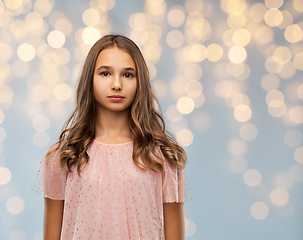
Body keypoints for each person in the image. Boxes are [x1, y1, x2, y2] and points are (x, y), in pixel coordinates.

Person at [32, 34, 192, 240]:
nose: (116, 84)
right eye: (105, 73)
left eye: (127, 75)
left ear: (140, 81)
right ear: (90, 78)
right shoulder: (63, 155)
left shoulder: (161, 156)